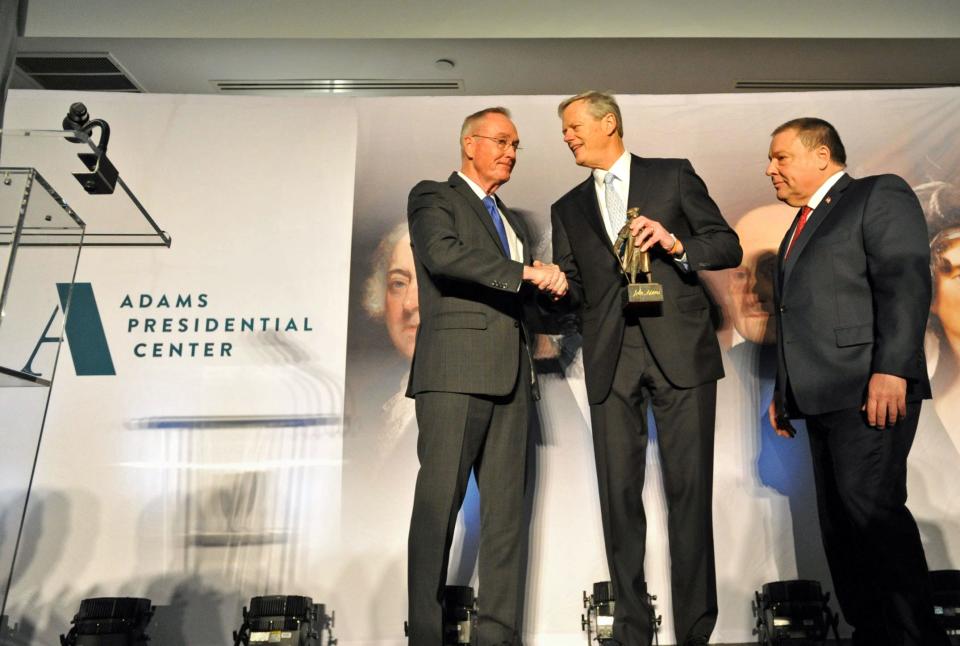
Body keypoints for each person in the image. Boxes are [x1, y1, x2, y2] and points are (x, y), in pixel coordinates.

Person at [551, 91, 741, 646]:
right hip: (610, 356)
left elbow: (724, 245)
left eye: (573, 127)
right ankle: (633, 631)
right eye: (563, 131)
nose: (566, 137)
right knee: (618, 500)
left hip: (681, 349)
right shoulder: (567, 207)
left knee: (690, 494)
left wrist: (676, 243)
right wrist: (553, 284)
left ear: (609, 123)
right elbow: (575, 288)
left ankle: (695, 633)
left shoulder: (673, 175)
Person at [765, 117, 949, 646]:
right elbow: (798, 312)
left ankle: (916, 638)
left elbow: (905, 282)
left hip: (870, 387)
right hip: (820, 394)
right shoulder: (800, 222)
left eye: (780, 157)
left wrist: (891, 368)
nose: (770, 169)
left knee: (872, 516)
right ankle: (870, 633)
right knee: (841, 527)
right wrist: (784, 390)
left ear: (821, 155)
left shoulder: (877, 194)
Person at [405, 106, 566, 646]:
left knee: (505, 520)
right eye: (501, 141)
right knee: (437, 510)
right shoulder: (433, 196)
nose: (510, 153)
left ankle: (498, 636)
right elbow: (444, 257)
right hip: (453, 375)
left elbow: (526, 300)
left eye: (516, 145)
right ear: (469, 144)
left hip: (514, 381)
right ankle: (426, 635)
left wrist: (566, 296)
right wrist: (527, 272)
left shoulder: (514, 223)